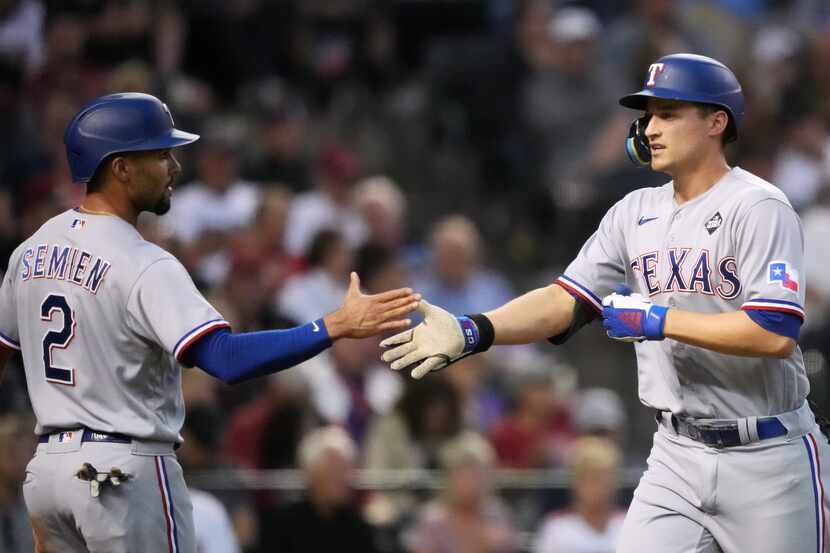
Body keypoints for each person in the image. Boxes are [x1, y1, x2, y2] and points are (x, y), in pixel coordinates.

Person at [382, 54, 830, 553]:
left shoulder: (760, 207)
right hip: (676, 454)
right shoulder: (633, 212)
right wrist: (473, 330)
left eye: (668, 113)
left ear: (716, 121)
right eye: (648, 116)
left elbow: (771, 333)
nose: (651, 127)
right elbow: (563, 299)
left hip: (768, 455)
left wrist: (660, 319)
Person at [0, 92, 420, 553]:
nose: (175, 167)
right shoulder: (143, 262)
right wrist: (333, 326)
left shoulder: (31, 251)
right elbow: (225, 359)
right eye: (160, 155)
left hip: (49, 473)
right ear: (119, 168)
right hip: (122, 471)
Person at [259, 425, 378, 553]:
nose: (340, 478)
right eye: (332, 470)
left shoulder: (359, 528)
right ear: (310, 473)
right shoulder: (281, 526)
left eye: (344, 470)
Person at [533, 437, 625, 553]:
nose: (600, 487)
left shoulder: (629, 524)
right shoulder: (556, 528)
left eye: (605, 479)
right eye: (592, 479)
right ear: (577, 482)